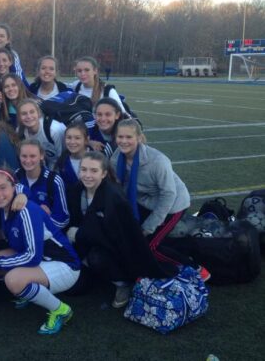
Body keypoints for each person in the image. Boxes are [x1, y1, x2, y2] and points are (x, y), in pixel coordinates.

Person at [65, 152, 177, 308]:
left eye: (94, 170)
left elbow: (118, 236)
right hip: (86, 243)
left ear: (104, 173)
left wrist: (80, 234)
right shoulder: (76, 190)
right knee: (75, 288)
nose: (87, 175)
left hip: (114, 251)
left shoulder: (113, 196)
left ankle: (122, 283)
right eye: (83, 169)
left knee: (96, 259)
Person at [110, 119, 211, 282]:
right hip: (145, 201)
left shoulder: (157, 161)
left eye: (129, 137)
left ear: (139, 138)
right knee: (133, 237)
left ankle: (196, 268)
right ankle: (142, 270)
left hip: (173, 203)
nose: (124, 141)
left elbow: (168, 194)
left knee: (150, 246)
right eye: (120, 137)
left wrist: (149, 226)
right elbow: (119, 188)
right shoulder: (116, 158)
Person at [0, 168, 81, 335]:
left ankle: (61, 310)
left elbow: (32, 256)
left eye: (2, 188)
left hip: (64, 265)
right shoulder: (4, 205)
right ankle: (30, 292)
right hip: (42, 258)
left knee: (13, 279)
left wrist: (0, 263)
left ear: (14, 187)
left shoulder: (26, 210)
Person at [15, 139, 69, 231]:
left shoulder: (54, 181)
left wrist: (41, 220)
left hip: (47, 234)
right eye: (24, 156)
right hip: (21, 232)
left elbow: (63, 220)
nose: (28, 160)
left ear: (41, 156)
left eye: (32, 156)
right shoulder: (16, 176)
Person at [16, 98, 65, 169]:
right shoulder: (20, 132)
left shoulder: (53, 130)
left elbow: (62, 158)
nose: (29, 116)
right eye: (24, 114)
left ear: (38, 113)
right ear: (19, 117)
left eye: (32, 112)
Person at [54, 121, 90, 186]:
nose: (72, 142)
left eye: (77, 138)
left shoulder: (97, 159)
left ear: (86, 140)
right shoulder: (61, 163)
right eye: (69, 138)